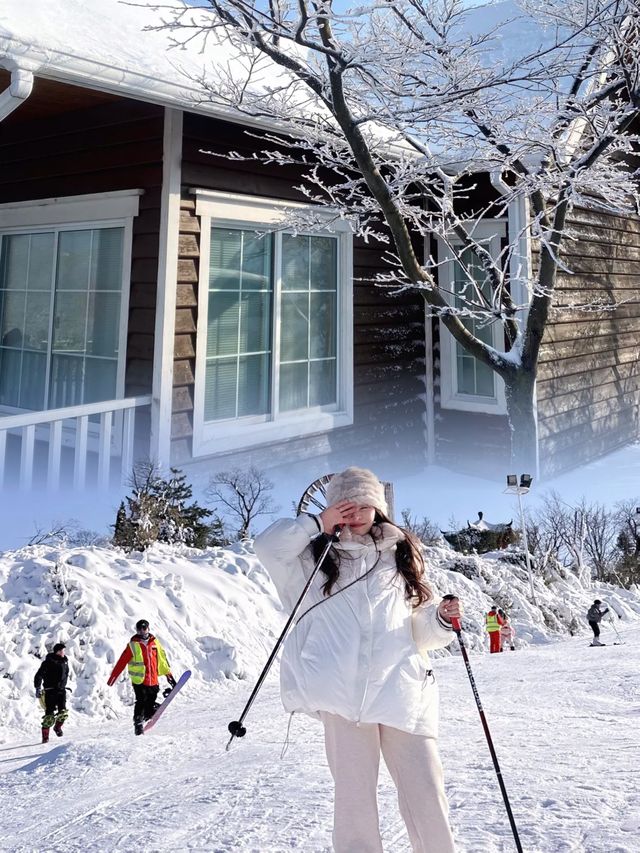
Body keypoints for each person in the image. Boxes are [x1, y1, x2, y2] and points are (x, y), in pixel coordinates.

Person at [254, 466, 462, 853]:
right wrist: (317, 522)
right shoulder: (307, 560)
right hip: (342, 697)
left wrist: (440, 621)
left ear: (378, 508)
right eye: (345, 504)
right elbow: (266, 546)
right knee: (354, 805)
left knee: (427, 794)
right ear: (333, 508)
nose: (356, 511)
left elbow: (416, 628)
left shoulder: (400, 555)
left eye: (365, 503)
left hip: (402, 689)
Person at [107, 619, 176, 735]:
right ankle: (138, 722)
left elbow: (162, 660)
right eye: (139, 630)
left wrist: (169, 677)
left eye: (144, 629)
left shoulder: (155, 643)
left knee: (150, 701)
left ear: (148, 629)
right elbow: (121, 662)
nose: (142, 632)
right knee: (141, 700)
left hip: (153, 679)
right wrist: (112, 679)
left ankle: (148, 714)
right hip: (140, 680)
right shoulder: (133, 645)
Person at [34, 642, 69, 744]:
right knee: (49, 716)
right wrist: (37, 687)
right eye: (62, 650)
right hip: (50, 691)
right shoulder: (47, 662)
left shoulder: (65, 662)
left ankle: (57, 728)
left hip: (61, 691)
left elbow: (65, 675)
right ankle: (45, 737)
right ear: (58, 652)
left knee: (63, 713)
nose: (64, 652)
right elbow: (39, 675)